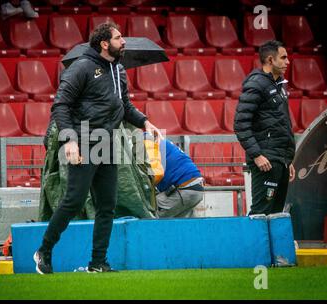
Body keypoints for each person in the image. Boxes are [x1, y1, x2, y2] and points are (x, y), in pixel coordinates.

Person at [33, 23, 161, 274]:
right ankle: (44, 250)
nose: (124, 41)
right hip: (83, 143)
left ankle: (98, 262)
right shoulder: (80, 68)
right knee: (73, 201)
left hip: (108, 142)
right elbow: (60, 106)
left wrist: (145, 122)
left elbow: (124, 106)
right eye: (118, 37)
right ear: (104, 43)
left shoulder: (119, 71)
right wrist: (70, 140)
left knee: (107, 206)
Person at [234, 40, 296, 216]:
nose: (288, 62)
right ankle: (252, 245)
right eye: (283, 58)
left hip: (280, 160)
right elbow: (240, 124)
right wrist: (257, 155)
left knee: (276, 213)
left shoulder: (280, 85)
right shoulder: (255, 84)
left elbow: (281, 123)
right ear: (270, 60)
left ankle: (272, 245)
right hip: (266, 161)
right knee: (260, 212)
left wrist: (287, 159)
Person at [145, 135, 204, 218]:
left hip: (184, 188)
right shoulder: (166, 144)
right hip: (196, 188)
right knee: (181, 224)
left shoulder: (150, 148)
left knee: (151, 215)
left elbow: (155, 176)